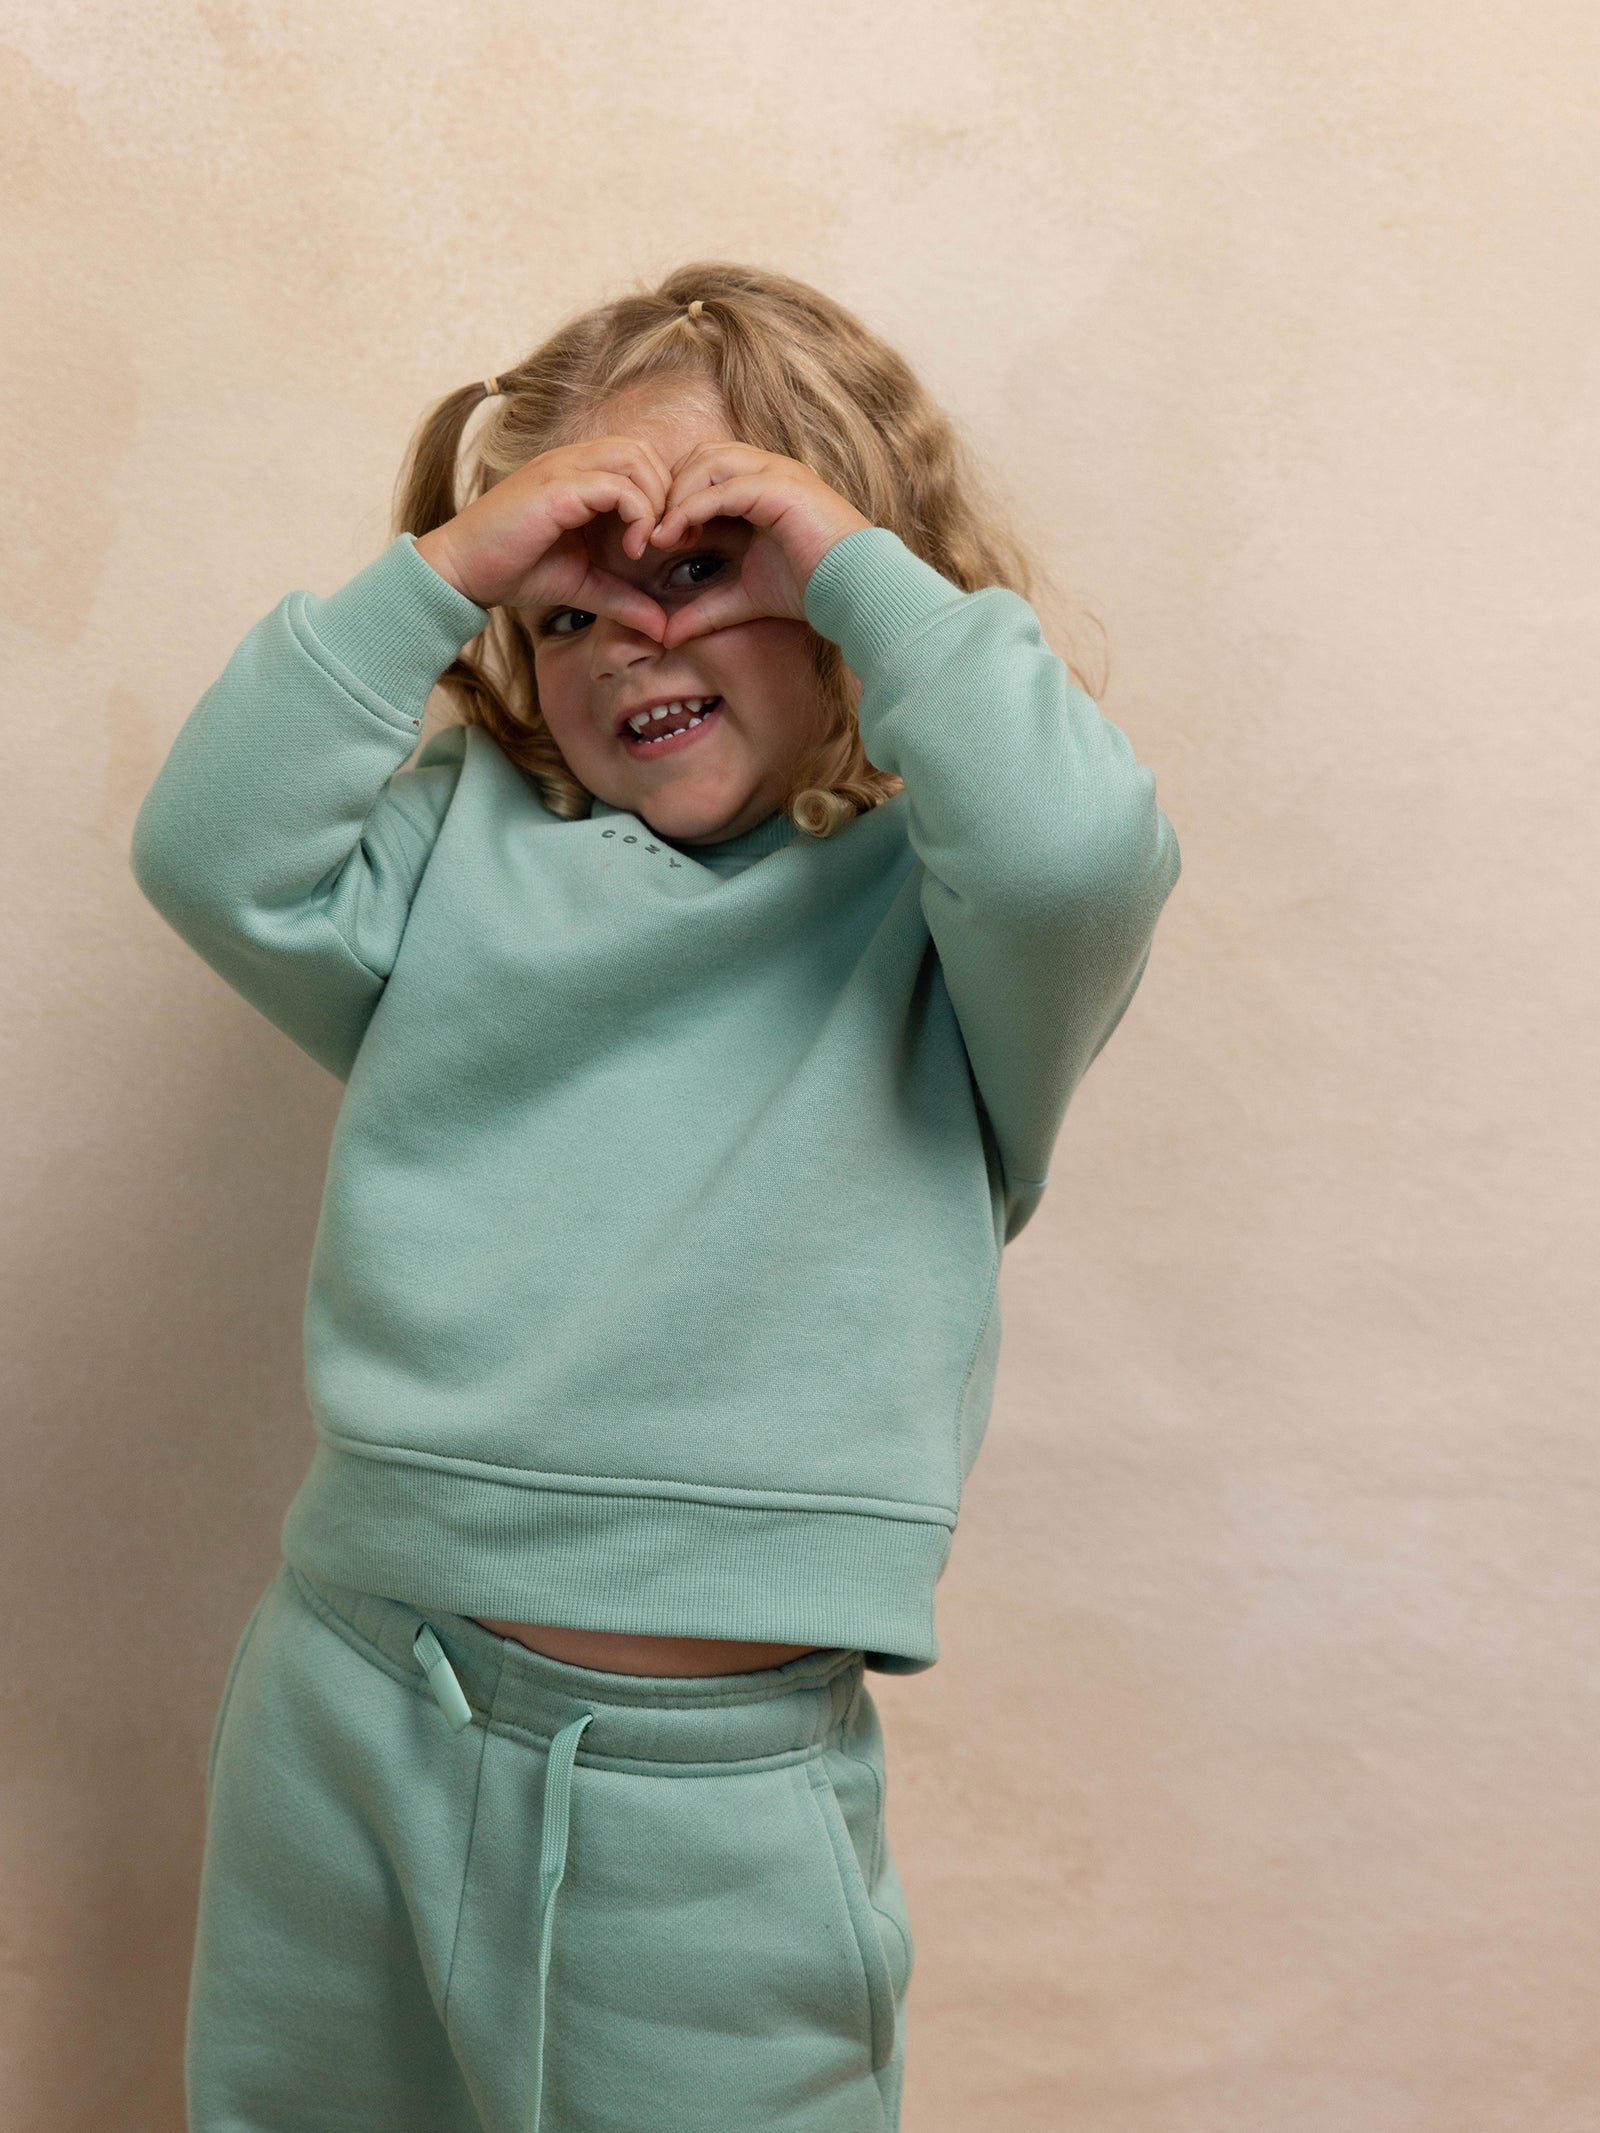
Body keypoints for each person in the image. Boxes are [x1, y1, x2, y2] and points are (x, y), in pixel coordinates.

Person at [130, 260, 1182, 2133]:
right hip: (351, 1701)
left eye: (701, 563)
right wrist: (457, 558)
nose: (627, 632)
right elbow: (211, 847)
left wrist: (844, 559)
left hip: (707, 1794)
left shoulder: (946, 929)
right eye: (567, 597)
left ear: (847, 583)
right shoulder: (458, 846)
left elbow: (1077, 841)